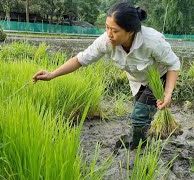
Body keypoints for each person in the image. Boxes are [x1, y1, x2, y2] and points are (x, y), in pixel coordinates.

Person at [32, 2, 180, 150]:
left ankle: (139, 148)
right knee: (140, 114)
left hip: (159, 77)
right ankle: (140, 138)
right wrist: (52, 74)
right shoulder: (106, 41)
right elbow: (80, 59)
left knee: (139, 115)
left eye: (114, 30)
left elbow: (173, 64)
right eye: (107, 28)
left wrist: (167, 94)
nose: (109, 34)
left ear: (130, 31)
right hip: (138, 80)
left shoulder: (152, 41)